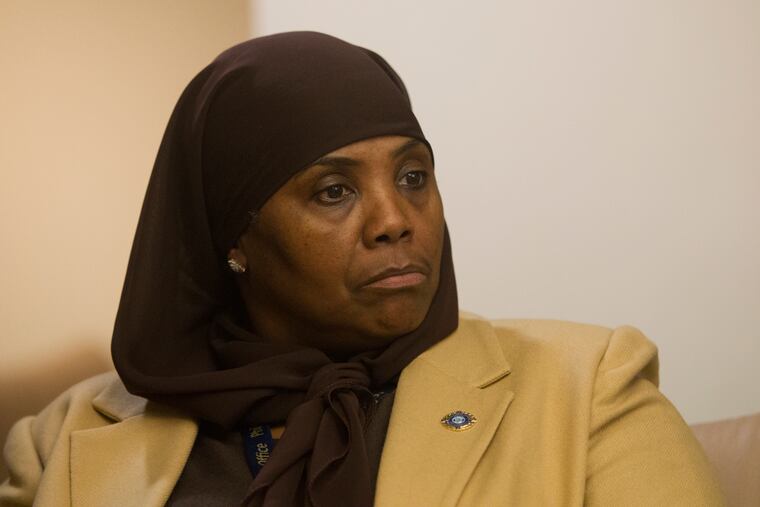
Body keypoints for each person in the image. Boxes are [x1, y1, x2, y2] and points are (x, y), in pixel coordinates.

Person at [0, 31, 724, 506]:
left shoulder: (588, 389)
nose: (395, 220)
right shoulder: (61, 439)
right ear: (233, 239)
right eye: (334, 191)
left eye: (413, 177)